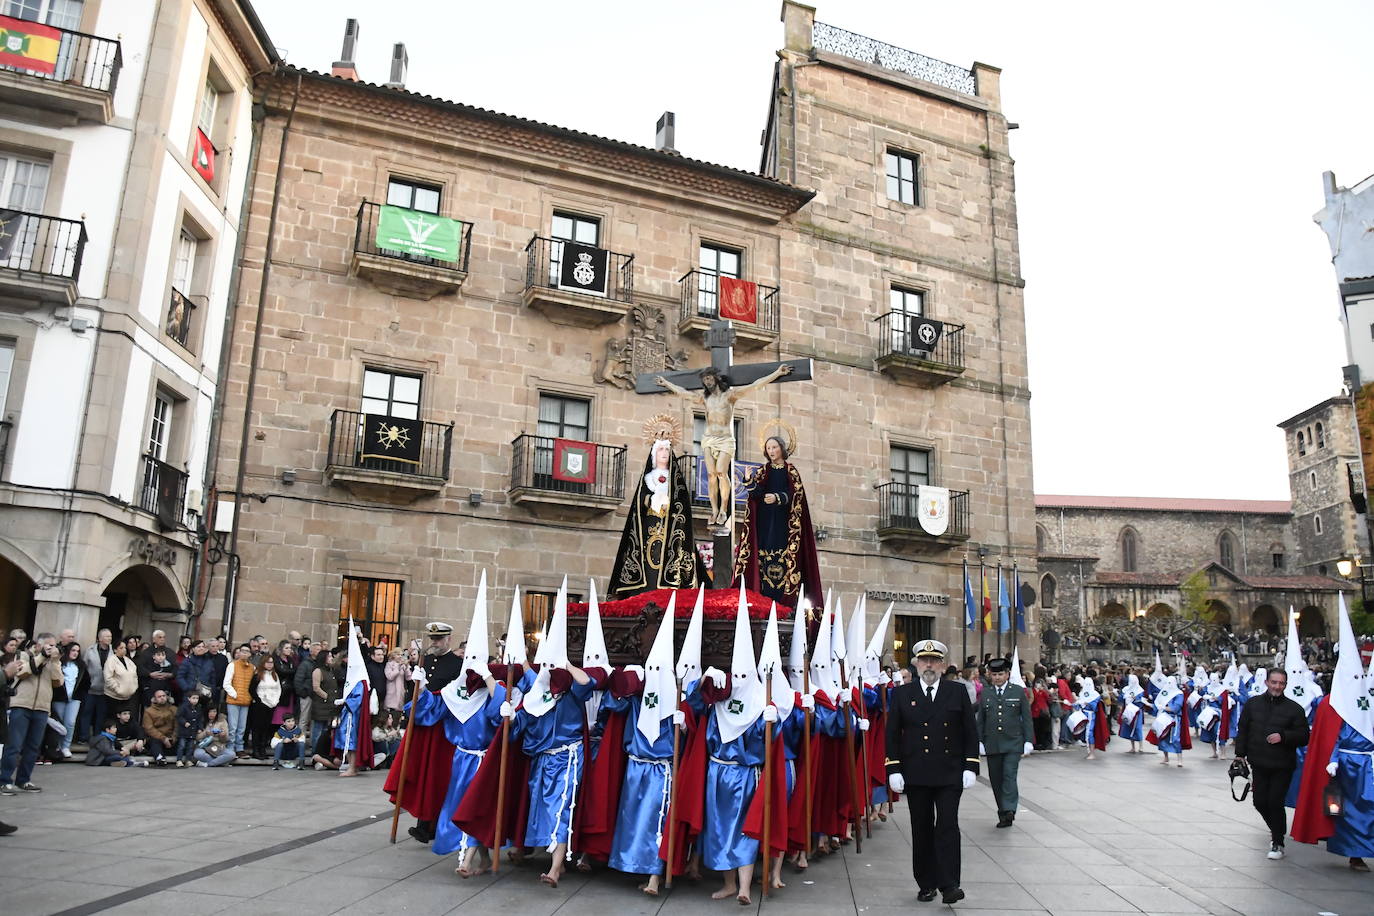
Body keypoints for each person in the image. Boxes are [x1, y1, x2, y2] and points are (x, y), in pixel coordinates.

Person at [886, 639, 978, 905]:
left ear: (942, 665)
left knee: (948, 826)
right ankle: (926, 883)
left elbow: (970, 732)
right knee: (922, 828)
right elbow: (893, 735)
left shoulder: (956, 692)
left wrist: (971, 765)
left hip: (949, 772)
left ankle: (949, 884)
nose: (929, 665)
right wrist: (894, 768)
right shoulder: (903, 694)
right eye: (924, 660)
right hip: (916, 773)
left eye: (934, 660)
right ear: (915, 664)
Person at [653, 363, 793, 526]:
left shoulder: (730, 396)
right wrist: (667, 383)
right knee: (711, 475)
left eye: (709, 378)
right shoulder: (705, 399)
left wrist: (777, 373)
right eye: (704, 380)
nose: (707, 382)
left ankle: (723, 509)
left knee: (721, 472)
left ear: (716, 378)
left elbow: (755, 385)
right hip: (708, 439)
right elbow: (684, 394)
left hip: (725, 440)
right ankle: (714, 510)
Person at [607, 435, 710, 599]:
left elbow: (682, 505)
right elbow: (638, 504)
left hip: (670, 534)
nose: (664, 453)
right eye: (660, 449)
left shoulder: (676, 482)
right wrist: (651, 500)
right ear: (654, 454)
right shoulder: (647, 479)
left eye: (667, 450)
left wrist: (669, 504)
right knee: (648, 566)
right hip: (648, 529)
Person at [733, 432, 824, 610]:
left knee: (783, 561)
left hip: (785, 526)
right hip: (765, 524)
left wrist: (778, 497)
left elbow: (796, 496)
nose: (772, 450)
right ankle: (762, 599)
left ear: (782, 449)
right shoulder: (763, 471)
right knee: (763, 559)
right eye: (768, 448)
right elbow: (756, 494)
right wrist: (748, 481)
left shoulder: (791, 471)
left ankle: (785, 602)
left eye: (774, 447)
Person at [1234, 669, 1310, 860]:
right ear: (1267, 682)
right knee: (1259, 802)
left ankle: (1277, 842)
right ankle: (1277, 829)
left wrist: (1284, 736)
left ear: (1285, 685)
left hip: (1282, 765)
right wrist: (1239, 755)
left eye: (1281, 683)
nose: (1277, 686)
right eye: (1274, 682)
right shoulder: (1252, 704)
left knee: (1275, 802)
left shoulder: (1295, 709)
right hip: (1258, 762)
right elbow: (1243, 729)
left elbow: (1304, 736)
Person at [1, 632, 64, 792]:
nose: (52, 648)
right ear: (38, 645)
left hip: (42, 707)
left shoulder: (52, 661)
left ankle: (24, 779)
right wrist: (42, 656)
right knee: (14, 745)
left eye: (53, 645)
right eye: (49, 645)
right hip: (22, 705)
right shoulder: (22, 655)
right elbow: (22, 672)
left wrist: (55, 661)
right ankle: (4, 780)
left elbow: (58, 682)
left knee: (33, 746)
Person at [975, 657, 1033, 828]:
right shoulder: (986, 693)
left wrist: (1028, 740)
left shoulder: (1017, 692)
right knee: (996, 779)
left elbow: (1026, 719)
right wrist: (979, 741)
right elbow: (981, 720)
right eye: (994, 674)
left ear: (1007, 674)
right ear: (990, 676)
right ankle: (1002, 811)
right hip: (992, 743)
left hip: (1013, 742)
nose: (998, 677)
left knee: (1009, 775)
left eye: (1001, 674)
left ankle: (1009, 809)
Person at [51, 641, 88, 759]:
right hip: (60, 697)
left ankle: (66, 746)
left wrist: (81, 694)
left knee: (70, 722)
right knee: (59, 722)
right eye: (73, 650)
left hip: (75, 698)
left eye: (77, 651)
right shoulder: (60, 663)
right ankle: (56, 745)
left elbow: (86, 682)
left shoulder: (81, 665)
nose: (75, 653)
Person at [78, 628, 112, 744]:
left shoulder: (113, 651)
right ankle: (84, 737)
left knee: (101, 715)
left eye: (110, 636)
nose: (109, 638)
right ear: (100, 638)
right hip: (91, 688)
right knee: (86, 713)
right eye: (107, 636)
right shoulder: (90, 650)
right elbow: (84, 667)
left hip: (106, 690)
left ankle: (97, 737)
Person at [248, 655, 284, 759]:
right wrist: (259, 701)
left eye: (271, 662)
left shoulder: (275, 675)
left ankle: (262, 749)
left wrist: (276, 701)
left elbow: (278, 689)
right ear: (263, 663)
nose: (269, 664)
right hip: (260, 705)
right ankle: (256, 750)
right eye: (267, 662)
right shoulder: (258, 675)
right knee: (257, 728)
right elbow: (252, 689)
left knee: (266, 728)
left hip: (271, 705)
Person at [222, 644, 255, 755]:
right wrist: (235, 694)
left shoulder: (252, 667)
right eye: (242, 651)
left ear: (250, 654)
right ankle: (231, 747)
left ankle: (239, 747)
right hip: (234, 701)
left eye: (247, 651)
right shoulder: (232, 665)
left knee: (242, 726)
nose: (244, 653)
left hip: (246, 701)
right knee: (233, 726)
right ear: (239, 653)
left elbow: (253, 684)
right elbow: (226, 683)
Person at [102, 640, 139, 719]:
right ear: (115, 650)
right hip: (113, 697)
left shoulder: (129, 661)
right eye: (121, 648)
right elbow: (108, 678)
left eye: (125, 648)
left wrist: (133, 688)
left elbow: (135, 676)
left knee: (124, 719)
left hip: (127, 697)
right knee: (112, 718)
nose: (124, 649)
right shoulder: (111, 661)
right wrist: (118, 689)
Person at [141, 688, 176, 765]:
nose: (162, 698)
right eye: (159, 697)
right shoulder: (149, 711)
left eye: (164, 696)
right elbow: (149, 728)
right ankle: (160, 758)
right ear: (155, 699)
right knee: (154, 741)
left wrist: (173, 738)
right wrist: (163, 738)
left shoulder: (173, 709)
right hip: (157, 737)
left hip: (171, 737)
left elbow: (177, 726)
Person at [175, 692, 203, 766]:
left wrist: (200, 728)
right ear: (188, 698)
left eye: (197, 698)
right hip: (184, 731)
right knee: (182, 746)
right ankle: (179, 760)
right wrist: (184, 722)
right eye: (193, 698)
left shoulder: (199, 707)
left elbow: (200, 719)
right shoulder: (184, 707)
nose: (195, 700)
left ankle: (188, 759)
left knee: (190, 747)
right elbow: (178, 716)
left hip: (193, 731)